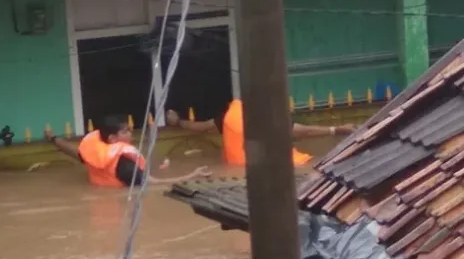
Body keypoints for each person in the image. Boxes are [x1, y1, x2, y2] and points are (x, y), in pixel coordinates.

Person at [165, 99, 357, 166]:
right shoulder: (268, 117)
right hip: (290, 164)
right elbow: (302, 132)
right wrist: (335, 129)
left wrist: (177, 121)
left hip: (245, 170)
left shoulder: (228, 121)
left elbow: (199, 127)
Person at [44, 115, 212, 187]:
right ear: (112, 139)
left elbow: (74, 152)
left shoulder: (97, 153)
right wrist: (193, 175)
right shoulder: (125, 165)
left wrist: (53, 139)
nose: (131, 133)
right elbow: (153, 184)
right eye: (125, 131)